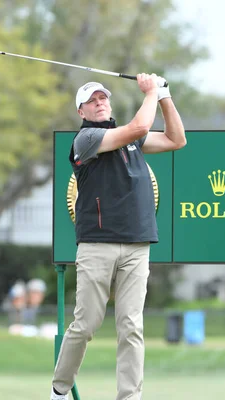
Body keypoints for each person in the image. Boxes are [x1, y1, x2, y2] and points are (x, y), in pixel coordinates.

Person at [50, 73, 186, 400]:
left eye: (103, 99)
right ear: (81, 112)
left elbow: (176, 139)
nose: (100, 103)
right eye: (91, 101)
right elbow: (138, 128)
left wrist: (164, 96)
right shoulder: (86, 140)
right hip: (98, 244)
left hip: (137, 245)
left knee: (132, 327)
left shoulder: (131, 141)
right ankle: (59, 390)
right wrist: (151, 91)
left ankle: (129, 397)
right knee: (85, 325)